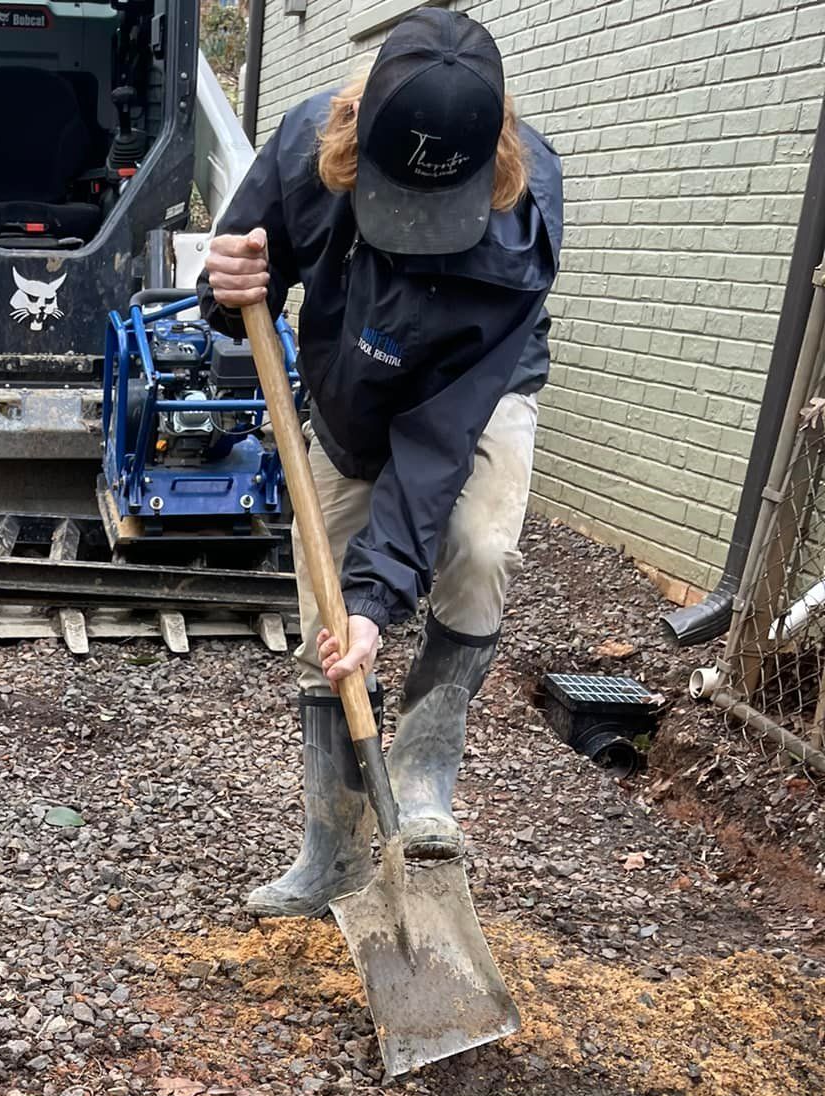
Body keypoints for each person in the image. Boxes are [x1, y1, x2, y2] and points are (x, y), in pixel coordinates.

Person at [200, 9, 562, 917]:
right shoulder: (304, 145)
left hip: (472, 390)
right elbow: (242, 274)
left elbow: (439, 444)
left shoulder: (518, 229)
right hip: (345, 388)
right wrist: (227, 287)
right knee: (327, 617)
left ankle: (426, 775)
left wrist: (382, 596)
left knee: (476, 550)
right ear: (357, 138)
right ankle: (332, 849)